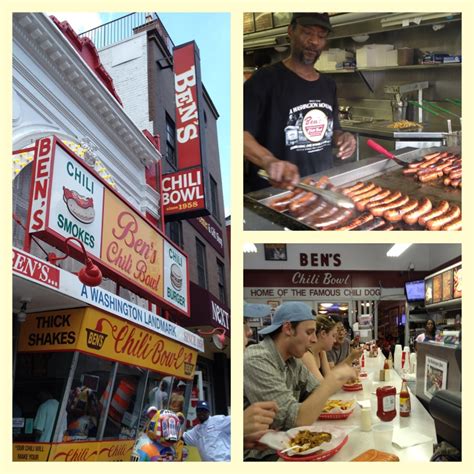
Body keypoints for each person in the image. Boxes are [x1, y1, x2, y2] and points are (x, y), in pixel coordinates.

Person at [244, 12, 356, 192]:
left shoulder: (328, 85)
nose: (314, 41)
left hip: (320, 188)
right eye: (307, 32)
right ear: (291, 31)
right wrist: (268, 160)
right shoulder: (264, 79)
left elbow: (333, 130)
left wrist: (343, 138)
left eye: (321, 36)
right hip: (276, 192)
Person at [244, 302, 357, 460]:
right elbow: (296, 420)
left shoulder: (292, 360)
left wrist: (329, 384)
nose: (314, 339)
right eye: (310, 332)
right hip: (263, 457)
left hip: (290, 448)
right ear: (288, 329)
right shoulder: (256, 359)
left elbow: (317, 391)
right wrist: (331, 381)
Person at [243, 303, 278, 449]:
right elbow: (291, 416)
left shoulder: (293, 363)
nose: (249, 332)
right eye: (243, 323)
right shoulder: (254, 360)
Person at [301, 314, 337, 381]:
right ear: (323, 334)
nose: (335, 340)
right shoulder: (306, 355)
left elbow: (329, 379)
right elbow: (322, 386)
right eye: (333, 336)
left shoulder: (321, 352)